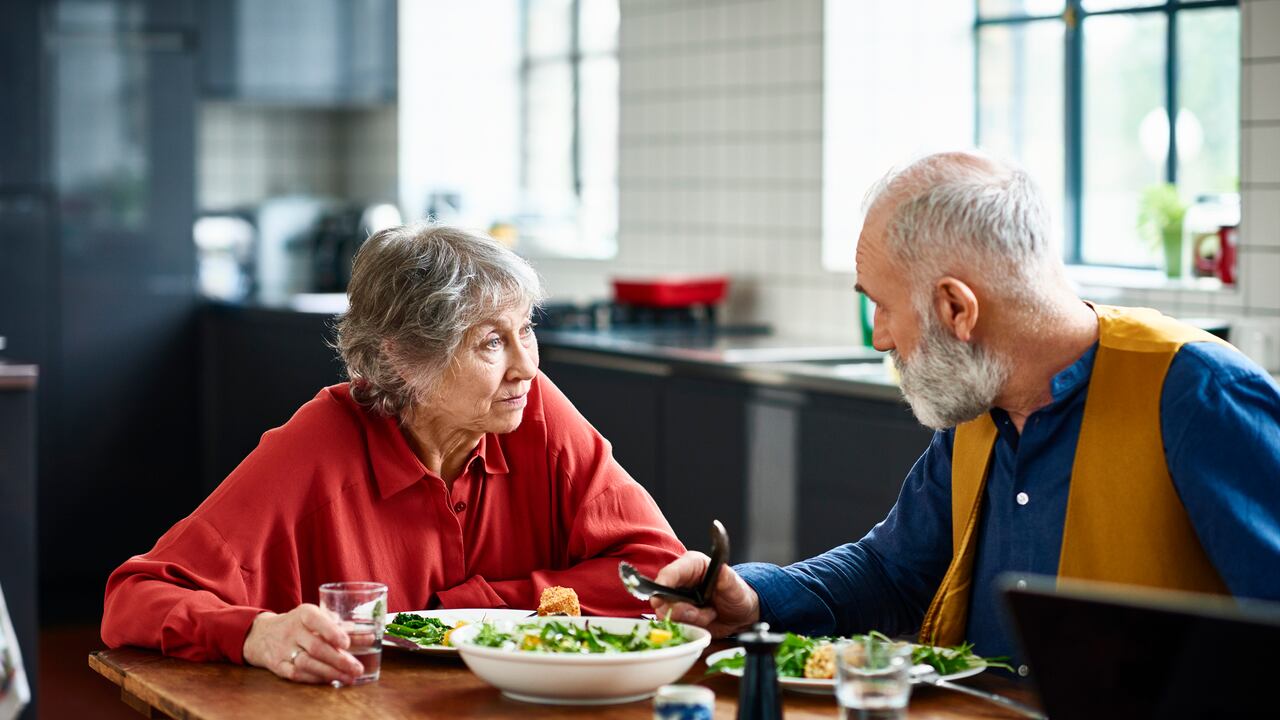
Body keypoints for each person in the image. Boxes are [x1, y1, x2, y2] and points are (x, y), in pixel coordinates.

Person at [650, 152, 1280, 674]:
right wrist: (753, 596)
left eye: (883, 306)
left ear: (957, 309)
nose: (879, 338)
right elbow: (890, 571)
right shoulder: (980, 402)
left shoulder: (1198, 396)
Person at [102, 224, 684, 684]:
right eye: (490, 341)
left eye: (524, 329)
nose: (527, 365)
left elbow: (661, 570)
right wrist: (255, 633)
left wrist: (467, 613)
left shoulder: (532, 410)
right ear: (405, 357)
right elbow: (135, 598)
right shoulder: (317, 446)